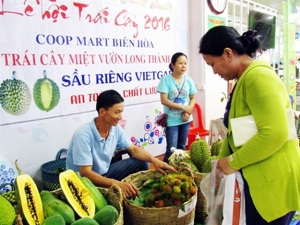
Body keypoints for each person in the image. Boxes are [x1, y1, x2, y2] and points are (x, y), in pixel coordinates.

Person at [199, 26, 300, 225]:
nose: (214, 71)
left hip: (272, 181)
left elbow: (274, 133)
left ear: (228, 53)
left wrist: (232, 162)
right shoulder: (245, 78)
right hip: (259, 177)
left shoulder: (258, 77)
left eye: (212, 64)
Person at [66, 89, 176, 199]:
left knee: (142, 162)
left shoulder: (115, 129)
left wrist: (155, 161)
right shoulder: (83, 135)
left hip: (104, 174)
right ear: (102, 112)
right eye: (117, 112)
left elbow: (133, 149)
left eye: (121, 112)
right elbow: (86, 174)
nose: (120, 117)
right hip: (84, 183)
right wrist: (116, 183)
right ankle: (116, 192)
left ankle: (133, 194)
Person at [157, 52, 197, 162]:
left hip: (185, 118)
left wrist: (188, 112)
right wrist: (184, 108)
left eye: (185, 63)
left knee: (182, 147)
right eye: (180, 63)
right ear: (173, 65)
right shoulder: (165, 80)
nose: (183, 66)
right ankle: (165, 172)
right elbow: (164, 100)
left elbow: (193, 98)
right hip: (171, 120)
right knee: (171, 149)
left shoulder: (188, 80)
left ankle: (179, 172)